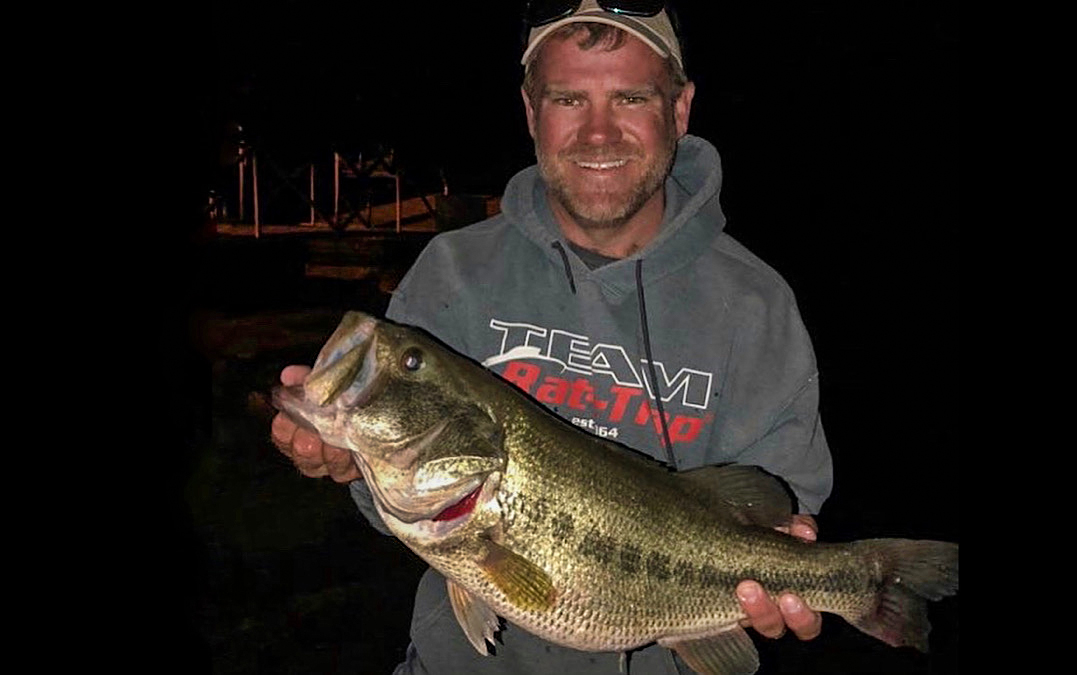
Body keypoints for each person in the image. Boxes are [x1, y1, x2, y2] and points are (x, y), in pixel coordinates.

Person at [272, 2, 833, 673]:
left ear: (679, 110)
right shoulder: (453, 271)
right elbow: (415, 498)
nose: (600, 133)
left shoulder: (758, 305)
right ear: (532, 111)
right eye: (569, 98)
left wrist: (790, 559)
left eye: (630, 97)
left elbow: (777, 495)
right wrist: (351, 462)